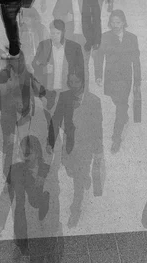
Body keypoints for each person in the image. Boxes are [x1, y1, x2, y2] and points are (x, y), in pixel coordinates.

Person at [55, 72, 103, 228]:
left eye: (77, 81)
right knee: (70, 171)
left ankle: (75, 210)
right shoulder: (64, 97)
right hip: (69, 146)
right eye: (71, 82)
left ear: (83, 82)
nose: (74, 85)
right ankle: (84, 177)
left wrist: (98, 150)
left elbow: (97, 128)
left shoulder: (94, 101)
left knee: (78, 181)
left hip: (85, 148)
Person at [94, 10, 141, 154]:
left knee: (121, 106)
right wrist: (98, 75)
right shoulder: (105, 37)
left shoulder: (132, 38)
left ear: (123, 23)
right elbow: (99, 56)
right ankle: (123, 114)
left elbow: (136, 61)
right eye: (113, 22)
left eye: (118, 22)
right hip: (111, 77)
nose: (115, 25)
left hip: (125, 78)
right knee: (117, 101)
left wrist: (137, 82)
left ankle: (116, 138)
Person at [52, 0, 102, 82]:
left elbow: (97, 21)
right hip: (68, 38)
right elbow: (55, 14)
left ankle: (85, 95)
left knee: (84, 68)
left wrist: (97, 40)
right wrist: (65, 17)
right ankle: (70, 95)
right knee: (68, 66)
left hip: (85, 39)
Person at [31, 19, 85, 93]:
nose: (55, 36)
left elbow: (81, 69)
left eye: (58, 33)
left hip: (68, 90)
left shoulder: (75, 47)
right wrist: (44, 69)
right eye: (53, 33)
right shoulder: (43, 45)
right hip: (48, 90)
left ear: (63, 33)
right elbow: (34, 64)